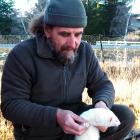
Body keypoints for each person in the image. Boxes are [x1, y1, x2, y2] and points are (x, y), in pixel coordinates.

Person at [1, 0, 135, 140]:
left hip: (77, 122)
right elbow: (11, 105)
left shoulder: (85, 52)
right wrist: (56, 116)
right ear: (47, 30)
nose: (73, 43)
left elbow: (102, 84)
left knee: (125, 116)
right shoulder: (22, 55)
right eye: (65, 34)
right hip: (38, 130)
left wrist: (102, 105)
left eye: (78, 34)